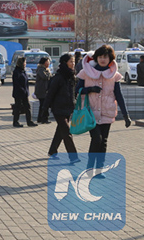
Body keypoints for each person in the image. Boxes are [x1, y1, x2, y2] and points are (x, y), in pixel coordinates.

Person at [76, 45, 131, 176]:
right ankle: (89, 169)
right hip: (90, 113)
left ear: (110, 58)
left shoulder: (114, 75)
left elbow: (119, 95)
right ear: (96, 58)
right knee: (96, 139)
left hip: (107, 112)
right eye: (100, 56)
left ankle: (99, 170)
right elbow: (77, 91)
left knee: (103, 141)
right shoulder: (86, 72)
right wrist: (89, 89)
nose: (102, 59)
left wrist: (126, 115)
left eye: (105, 57)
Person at [44, 54, 80, 164]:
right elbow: (50, 94)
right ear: (64, 63)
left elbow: (73, 93)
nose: (73, 64)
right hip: (58, 108)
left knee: (60, 130)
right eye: (71, 62)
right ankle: (73, 157)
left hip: (68, 108)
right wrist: (44, 109)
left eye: (74, 62)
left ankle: (52, 151)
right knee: (67, 132)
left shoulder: (72, 76)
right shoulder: (58, 77)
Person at [12, 57, 38, 128]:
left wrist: (26, 91)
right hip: (18, 93)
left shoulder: (23, 71)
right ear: (21, 63)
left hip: (25, 93)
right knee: (18, 107)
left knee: (27, 107)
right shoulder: (16, 72)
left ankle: (29, 121)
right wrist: (22, 90)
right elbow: (16, 84)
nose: (25, 64)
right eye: (24, 62)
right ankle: (15, 122)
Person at [35, 57, 52, 124]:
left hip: (44, 90)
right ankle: (44, 119)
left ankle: (40, 118)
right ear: (44, 62)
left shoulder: (45, 69)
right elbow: (45, 77)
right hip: (41, 90)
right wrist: (49, 73)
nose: (49, 63)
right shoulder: (41, 69)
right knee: (44, 105)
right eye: (48, 61)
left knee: (42, 105)